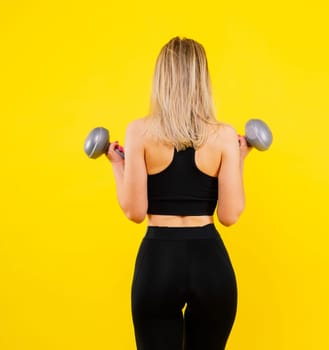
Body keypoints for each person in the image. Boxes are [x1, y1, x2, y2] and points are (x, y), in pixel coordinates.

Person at [106, 36, 252, 350]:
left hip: (159, 262)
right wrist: (238, 158)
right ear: (203, 79)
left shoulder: (139, 132)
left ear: (161, 78)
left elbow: (134, 211)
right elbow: (229, 215)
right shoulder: (224, 135)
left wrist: (117, 164)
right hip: (209, 262)